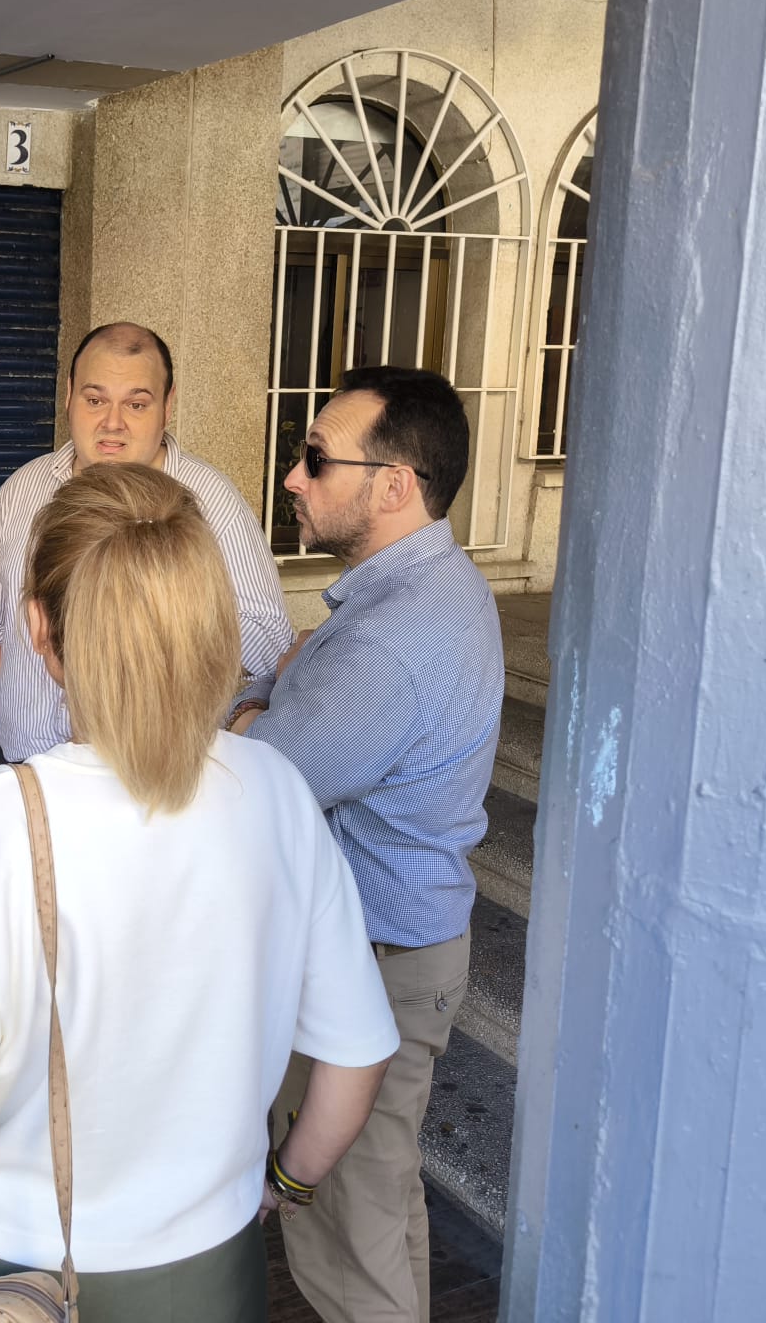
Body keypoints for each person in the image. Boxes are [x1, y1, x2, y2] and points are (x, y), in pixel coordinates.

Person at [0, 463, 400, 1323]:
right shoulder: (277, 789)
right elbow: (357, 1055)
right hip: (218, 1272)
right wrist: (284, 1182)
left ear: (39, 630)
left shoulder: (9, 817)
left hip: (16, 1278)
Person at [229, 366, 504, 1323]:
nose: (293, 478)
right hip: (396, 949)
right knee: (377, 1206)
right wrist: (286, 685)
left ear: (393, 485)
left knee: (349, 1227)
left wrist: (256, 697)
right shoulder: (430, 591)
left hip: (374, 963)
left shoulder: (388, 640)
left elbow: (262, 780)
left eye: (315, 459)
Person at [0, 320, 293, 765]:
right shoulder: (22, 490)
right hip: (29, 769)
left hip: (153, 778)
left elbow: (269, 644)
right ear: (69, 394)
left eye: (136, 404)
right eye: (95, 400)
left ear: (167, 406)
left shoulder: (213, 502)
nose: (112, 424)